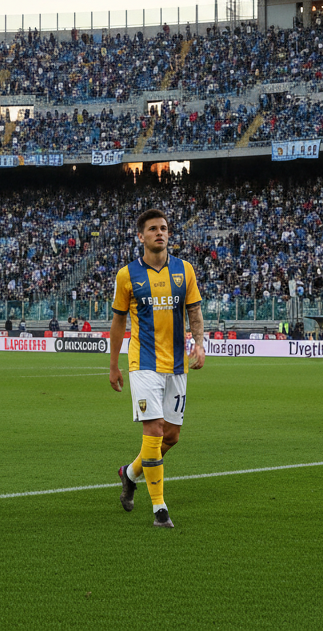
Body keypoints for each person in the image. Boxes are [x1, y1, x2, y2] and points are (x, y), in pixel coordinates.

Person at [109, 208, 204, 529]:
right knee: (154, 430)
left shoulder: (184, 270)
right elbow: (118, 321)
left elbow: (195, 311)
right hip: (143, 363)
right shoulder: (127, 275)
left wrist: (200, 344)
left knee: (172, 436)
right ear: (141, 236)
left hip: (177, 364)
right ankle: (159, 509)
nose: (159, 233)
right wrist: (113, 365)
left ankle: (130, 473)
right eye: (152, 229)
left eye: (163, 228)